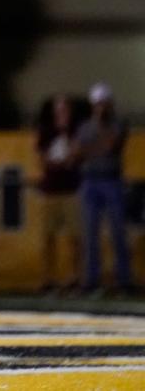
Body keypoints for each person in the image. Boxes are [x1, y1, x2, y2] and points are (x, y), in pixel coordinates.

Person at [75, 82, 131, 295]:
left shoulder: (117, 124)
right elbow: (76, 153)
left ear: (110, 104)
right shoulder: (84, 126)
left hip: (111, 181)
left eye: (104, 103)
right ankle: (91, 280)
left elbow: (111, 146)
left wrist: (89, 148)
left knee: (118, 231)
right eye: (98, 104)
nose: (101, 107)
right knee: (90, 233)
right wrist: (91, 148)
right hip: (90, 181)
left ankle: (124, 280)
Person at [36, 95, 82, 294]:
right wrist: (58, 162)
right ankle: (49, 277)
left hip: (71, 189)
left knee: (75, 236)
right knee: (48, 236)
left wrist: (69, 158)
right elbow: (41, 157)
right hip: (52, 190)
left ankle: (75, 276)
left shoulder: (76, 131)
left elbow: (77, 154)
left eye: (65, 109)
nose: (62, 113)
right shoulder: (46, 132)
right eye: (59, 109)